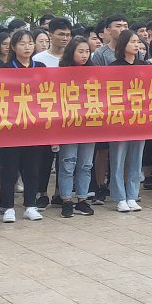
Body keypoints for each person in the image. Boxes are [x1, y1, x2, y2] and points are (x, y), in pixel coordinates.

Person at [0, 29, 46, 223]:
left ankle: (30, 205)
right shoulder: (5, 68)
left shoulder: (40, 67)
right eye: (22, 43)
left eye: (30, 43)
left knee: (32, 168)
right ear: (13, 47)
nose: (27, 47)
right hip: (11, 126)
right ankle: (8, 207)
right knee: (9, 169)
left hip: (34, 125)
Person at [57, 36, 96, 218]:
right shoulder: (61, 73)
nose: (84, 55)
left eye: (87, 51)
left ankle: (82, 199)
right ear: (71, 52)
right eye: (80, 51)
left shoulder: (94, 73)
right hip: (69, 125)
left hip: (89, 125)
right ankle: (66, 200)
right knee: (68, 163)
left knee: (86, 165)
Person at [109, 29, 147, 213]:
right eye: (132, 41)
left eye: (138, 42)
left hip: (139, 117)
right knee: (118, 160)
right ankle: (119, 197)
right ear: (123, 44)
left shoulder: (144, 66)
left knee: (136, 159)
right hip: (119, 118)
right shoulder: (114, 66)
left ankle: (132, 195)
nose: (136, 45)